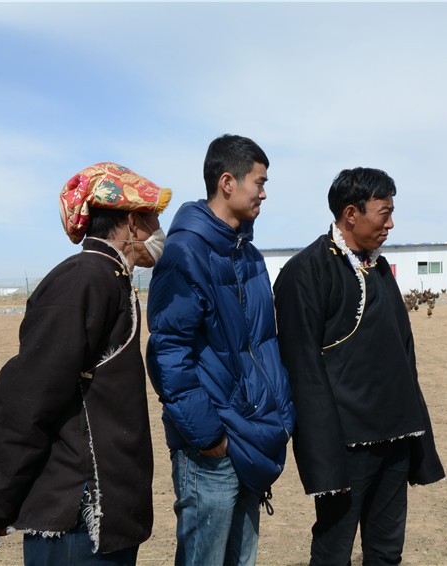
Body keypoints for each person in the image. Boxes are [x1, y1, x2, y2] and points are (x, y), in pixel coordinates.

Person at [0, 162, 172, 564]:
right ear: (132, 221)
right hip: (75, 512)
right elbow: (28, 398)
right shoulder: (83, 278)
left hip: (105, 510)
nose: (161, 231)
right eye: (154, 219)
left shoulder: (110, 277)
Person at [273, 167, 445, 566]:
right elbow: (302, 370)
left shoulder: (378, 268)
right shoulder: (305, 272)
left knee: (386, 551)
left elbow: (404, 355)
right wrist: (322, 454)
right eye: (384, 213)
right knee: (333, 551)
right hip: (344, 445)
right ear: (351, 214)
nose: (391, 224)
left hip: (396, 438)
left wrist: (416, 432)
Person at [145, 134, 295, 566]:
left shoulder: (249, 257)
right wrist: (209, 435)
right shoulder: (185, 253)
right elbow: (168, 353)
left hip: (253, 436)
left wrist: (278, 413)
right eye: (259, 183)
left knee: (242, 559)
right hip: (210, 447)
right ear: (227, 182)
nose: (264, 194)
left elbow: (261, 345)